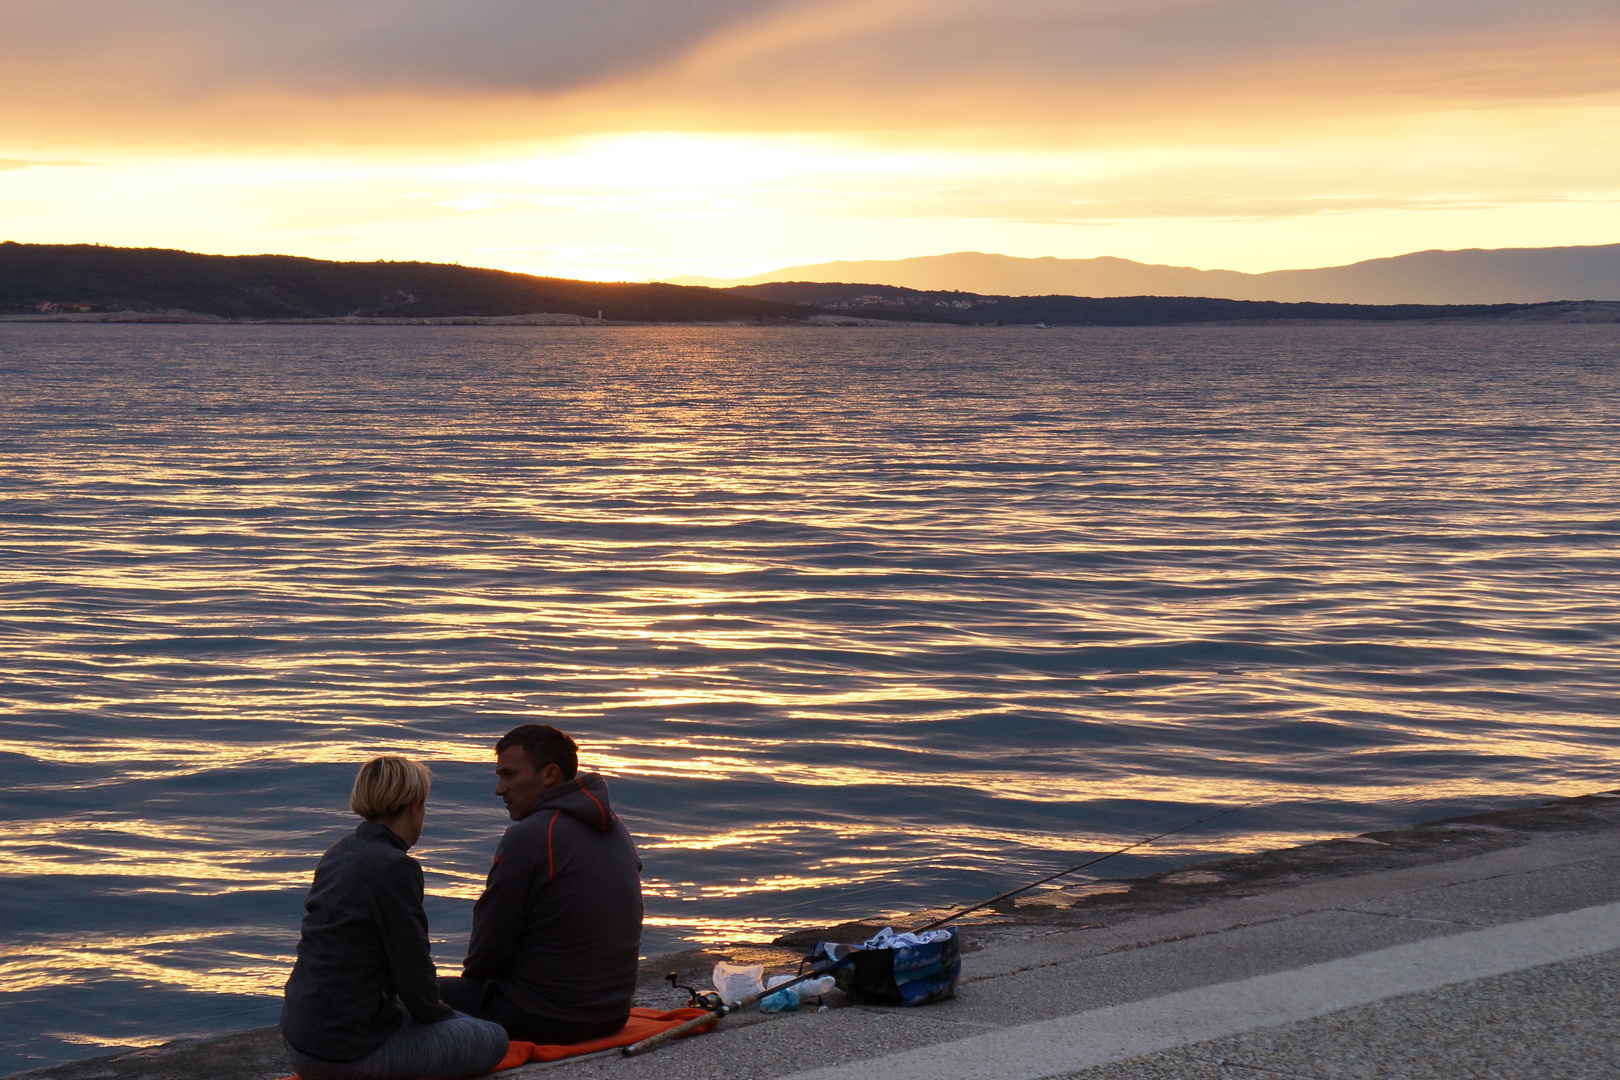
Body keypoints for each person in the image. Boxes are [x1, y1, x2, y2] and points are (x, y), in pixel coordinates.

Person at [280, 757, 509, 1080]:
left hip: (299, 1036)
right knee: (493, 1038)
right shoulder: (394, 868)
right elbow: (413, 972)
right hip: (341, 1055)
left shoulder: (340, 852)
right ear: (414, 806)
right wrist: (448, 1019)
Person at [438, 724, 645, 1044]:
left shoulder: (531, 835)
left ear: (549, 775)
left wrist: (468, 996)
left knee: (402, 992)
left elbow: (488, 948)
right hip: (613, 1015)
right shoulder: (618, 830)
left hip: (545, 1019)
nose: (499, 789)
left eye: (509, 775)